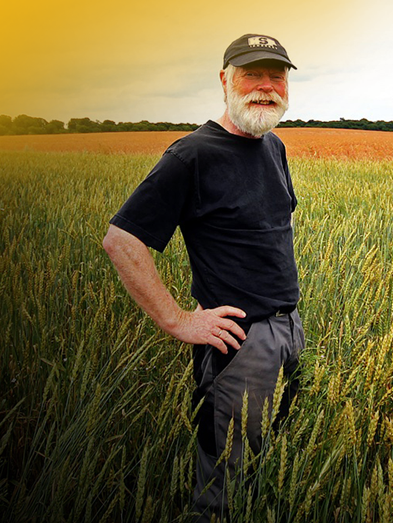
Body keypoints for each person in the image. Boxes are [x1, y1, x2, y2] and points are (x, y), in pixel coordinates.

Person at [102, 33, 304, 521]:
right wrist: (178, 321)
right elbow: (121, 240)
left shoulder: (272, 146)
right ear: (224, 80)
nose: (265, 86)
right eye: (251, 74)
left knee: (265, 463)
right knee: (223, 485)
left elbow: (275, 225)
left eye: (276, 75)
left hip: (287, 330)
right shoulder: (191, 155)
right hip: (239, 345)